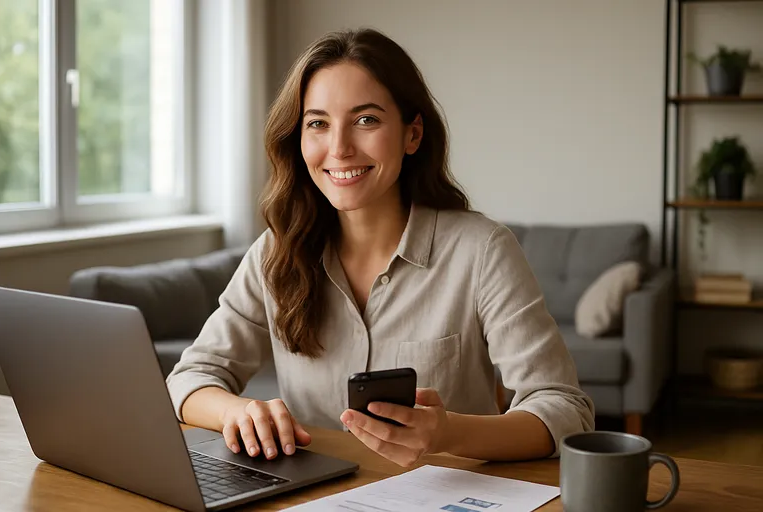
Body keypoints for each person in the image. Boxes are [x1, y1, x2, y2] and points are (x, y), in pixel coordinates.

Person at [166, 28, 594, 468]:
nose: (339, 148)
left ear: (413, 135)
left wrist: (449, 433)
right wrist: (237, 411)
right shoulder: (277, 251)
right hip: (312, 496)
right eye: (318, 123)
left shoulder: (482, 250)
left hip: (452, 495)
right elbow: (189, 378)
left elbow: (565, 409)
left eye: (366, 120)